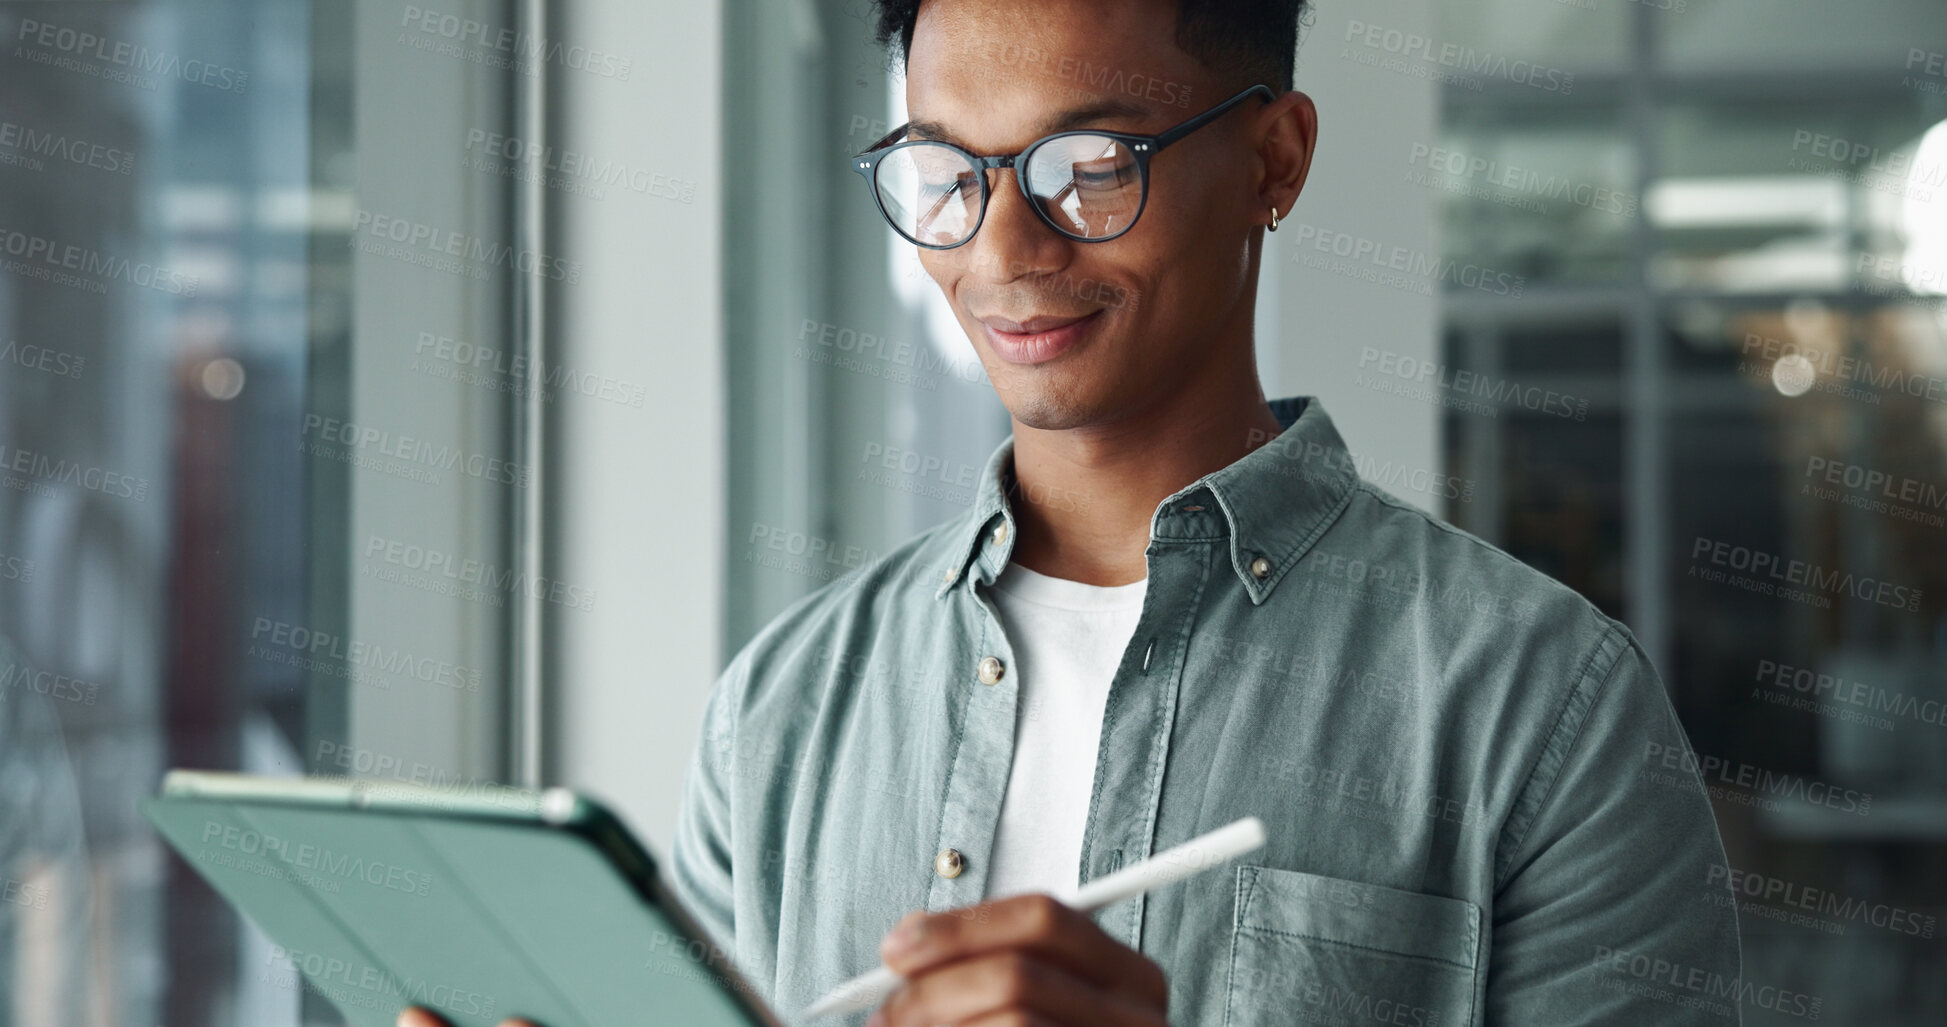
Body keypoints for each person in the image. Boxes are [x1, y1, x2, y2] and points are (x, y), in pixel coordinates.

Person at [405, 0, 1739, 1024]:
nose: (1002, 250)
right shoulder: (788, 703)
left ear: (1276, 158)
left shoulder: (1539, 705)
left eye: (1088, 164)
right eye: (946, 169)